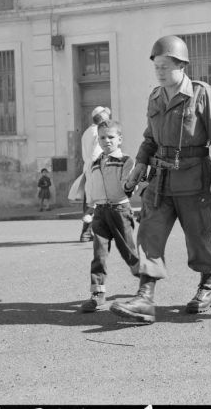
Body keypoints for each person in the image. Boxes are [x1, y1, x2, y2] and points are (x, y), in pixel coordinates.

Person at [109, 35, 211, 324]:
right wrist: (140, 163)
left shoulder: (201, 94)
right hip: (161, 179)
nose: (160, 71)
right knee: (149, 233)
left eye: (165, 66)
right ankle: (145, 298)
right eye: (157, 66)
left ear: (182, 66)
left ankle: (207, 286)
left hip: (194, 178)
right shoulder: (155, 97)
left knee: (199, 235)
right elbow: (150, 138)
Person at [80, 120, 140, 312]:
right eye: (102, 137)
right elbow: (91, 186)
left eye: (111, 137)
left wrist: (130, 185)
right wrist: (90, 207)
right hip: (100, 212)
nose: (107, 141)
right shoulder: (95, 163)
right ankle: (97, 294)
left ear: (119, 139)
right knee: (99, 254)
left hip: (120, 210)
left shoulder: (126, 161)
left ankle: (146, 284)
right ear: (98, 140)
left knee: (129, 252)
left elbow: (127, 184)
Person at [79, 106, 111, 242]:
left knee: (90, 201)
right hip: (96, 169)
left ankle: (87, 233)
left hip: (88, 169)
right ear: (102, 118)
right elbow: (96, 154)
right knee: (99, 202)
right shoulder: (98, 132)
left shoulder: (87, 131)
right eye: (107, 116)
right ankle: (92, 233)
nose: (109, 118)